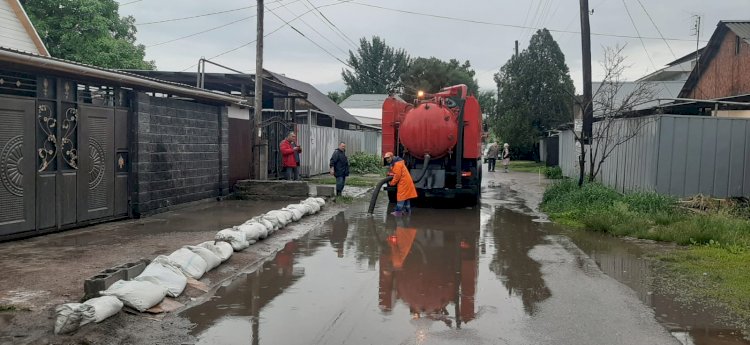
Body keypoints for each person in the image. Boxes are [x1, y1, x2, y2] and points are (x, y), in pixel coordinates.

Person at [384, 152, 417, 216]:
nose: (387, 160)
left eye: (388, 158)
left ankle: (398, 212)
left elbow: (397, 176)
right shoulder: (397, 163)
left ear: (392, 157)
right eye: (386, 158)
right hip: (407, 182)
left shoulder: (397, 164)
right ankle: (407, 211)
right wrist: (391, 174)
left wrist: (391, 183)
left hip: (403, 183)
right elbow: (397, 173)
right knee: (407, 197)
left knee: (401, 197)